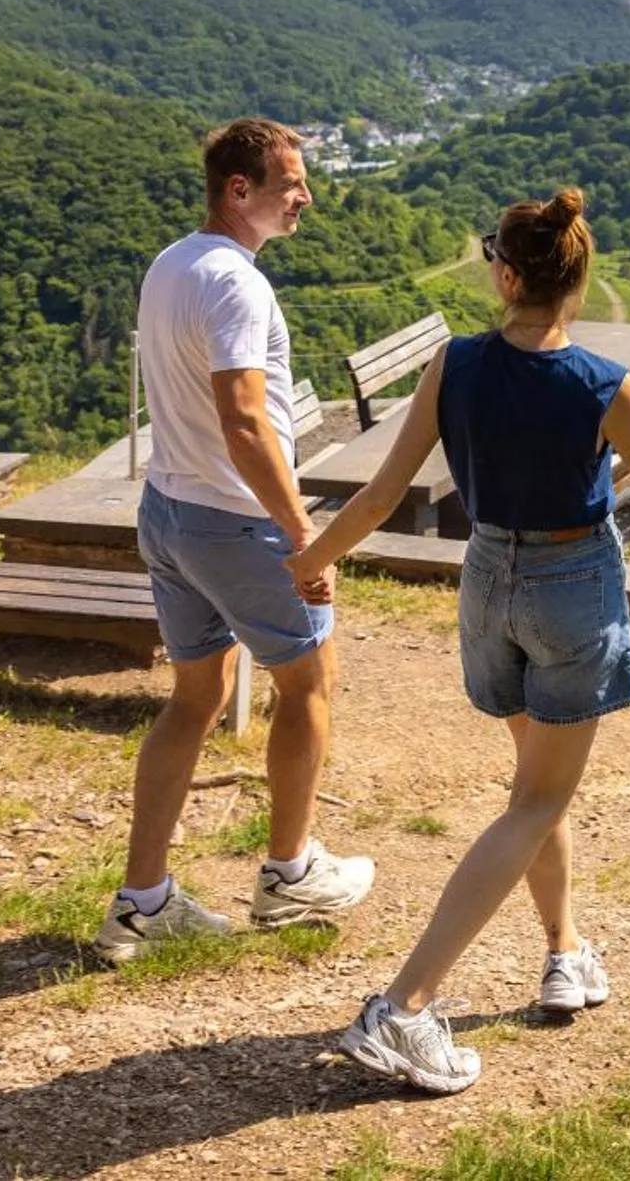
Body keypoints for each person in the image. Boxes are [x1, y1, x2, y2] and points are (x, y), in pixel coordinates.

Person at [289, 187, 630, 1094]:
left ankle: (564, 951)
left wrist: (311, 559)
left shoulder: (454, 365)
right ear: (576, 279)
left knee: (537, 787)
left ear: (504, 276)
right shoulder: (602, 384)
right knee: (537, 799)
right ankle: (404, 1005)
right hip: (570, 587)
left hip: (486, 584)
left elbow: (381, 495)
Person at [96, 118, 375, 961]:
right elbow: (245, 421)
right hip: (235, 519)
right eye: (291, 184)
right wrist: (302, 534)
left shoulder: (171, 263)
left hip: (170, 509)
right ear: (239, 189)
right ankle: (290, 874)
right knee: (310, 681)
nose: (306, 197)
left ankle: (143, 902)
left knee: (196, 695)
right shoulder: (237, 285)